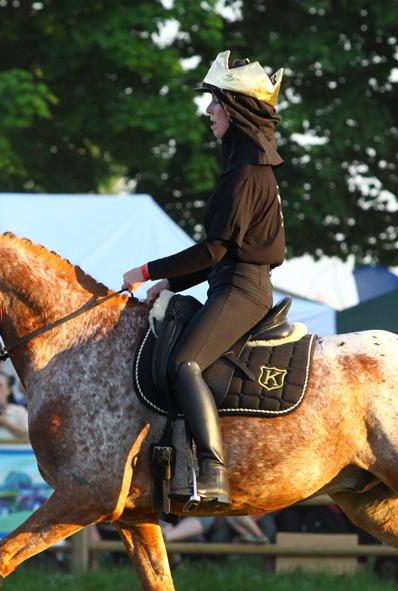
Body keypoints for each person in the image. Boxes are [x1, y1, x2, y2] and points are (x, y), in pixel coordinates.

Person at [122, 51, 286, 506]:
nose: (208, 111)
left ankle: (213, 471)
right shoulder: (244, 170)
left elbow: (213, 250)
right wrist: (171, 285)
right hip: (230, 281)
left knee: (184, 364)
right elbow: (221, 253)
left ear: (234, 110)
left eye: (214, 103)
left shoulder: (247, 175)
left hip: (242, 289)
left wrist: (147, 270)